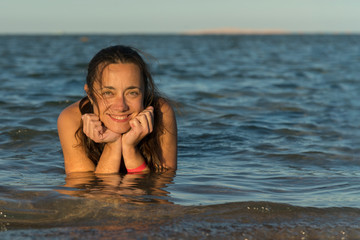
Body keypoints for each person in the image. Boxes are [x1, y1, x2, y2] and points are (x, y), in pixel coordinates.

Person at [58, 45, 177, 174]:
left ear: (144, 93)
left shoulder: (161, 111)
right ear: (90, 94)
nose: (121, 107)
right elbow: (95, 191)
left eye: (132, 93)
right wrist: (112, 144)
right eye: (108, 93)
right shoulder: (70, 119)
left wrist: (130, 149)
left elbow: (159, 187)